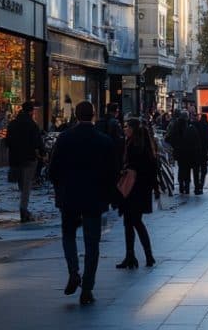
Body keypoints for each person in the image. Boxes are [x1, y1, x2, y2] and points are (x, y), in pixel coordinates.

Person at [49, 101, 115, 305]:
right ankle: (87, 287)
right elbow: (112, 172)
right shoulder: (104, 141)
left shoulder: (64, 138)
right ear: (94, 115)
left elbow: (53, 170)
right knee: (92, 243)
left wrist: (60, 188)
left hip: (69, 197)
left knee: (68, 235)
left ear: (76, 116)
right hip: (94, 198)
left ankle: (73, 271)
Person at [116, 117, 159, 269]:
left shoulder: (133, 146)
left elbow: (132, 167)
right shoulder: (146, 146)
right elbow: (153, 169)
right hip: (141, 190)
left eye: (127, 127)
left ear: (133, 129)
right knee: (133, 222)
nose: (125, 129)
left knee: (133, 222)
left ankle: (137, 255)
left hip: (132, 189)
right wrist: (155, 188)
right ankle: (137, 255)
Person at [6, 100, 44, 223]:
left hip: (15, 158)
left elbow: (7, 142)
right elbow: (38, 142)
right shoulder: (32, 125)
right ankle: (24, 209)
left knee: (22, 184)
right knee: (27, 184)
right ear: (31, 111)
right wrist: (42, 154)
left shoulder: (12, 124)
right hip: (28, 158)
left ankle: (24, 207)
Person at [167, 111, 199, 195]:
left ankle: (181, 185)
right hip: (188, 151)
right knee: (187, 168)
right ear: (187, 117)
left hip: (179, 151)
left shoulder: (175, 126)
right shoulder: (189, 127)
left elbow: (169, 138)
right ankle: (187, 186)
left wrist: (175, 146)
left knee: (181, 168)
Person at [194, 112, 208, 195]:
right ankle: (201, 186)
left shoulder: (196, 124)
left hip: (196, 150)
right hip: (205, 150)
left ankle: (196, 186)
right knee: (203, 169)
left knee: (196, 169)